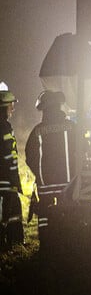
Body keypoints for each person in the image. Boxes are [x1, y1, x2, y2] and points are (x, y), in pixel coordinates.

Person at [24, 90, 81, 246]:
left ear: (44, 109)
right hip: (69, 185)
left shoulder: (37, 131)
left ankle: (47, 247)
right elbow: (83, 149)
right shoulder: (71, 127)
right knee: (69, 215)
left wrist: (40, 175)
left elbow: (30, 157)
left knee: (45, 217)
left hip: (46, 186)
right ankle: (70, 247)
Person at [0, 82, 24, 250]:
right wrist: (15, 179)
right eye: (11, 105)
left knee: (13, 210)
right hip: (4, 181)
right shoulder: (5, 127)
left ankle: (14, 243)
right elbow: (10, 156)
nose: (13, 109)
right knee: (6, 213)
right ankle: (8, 245)